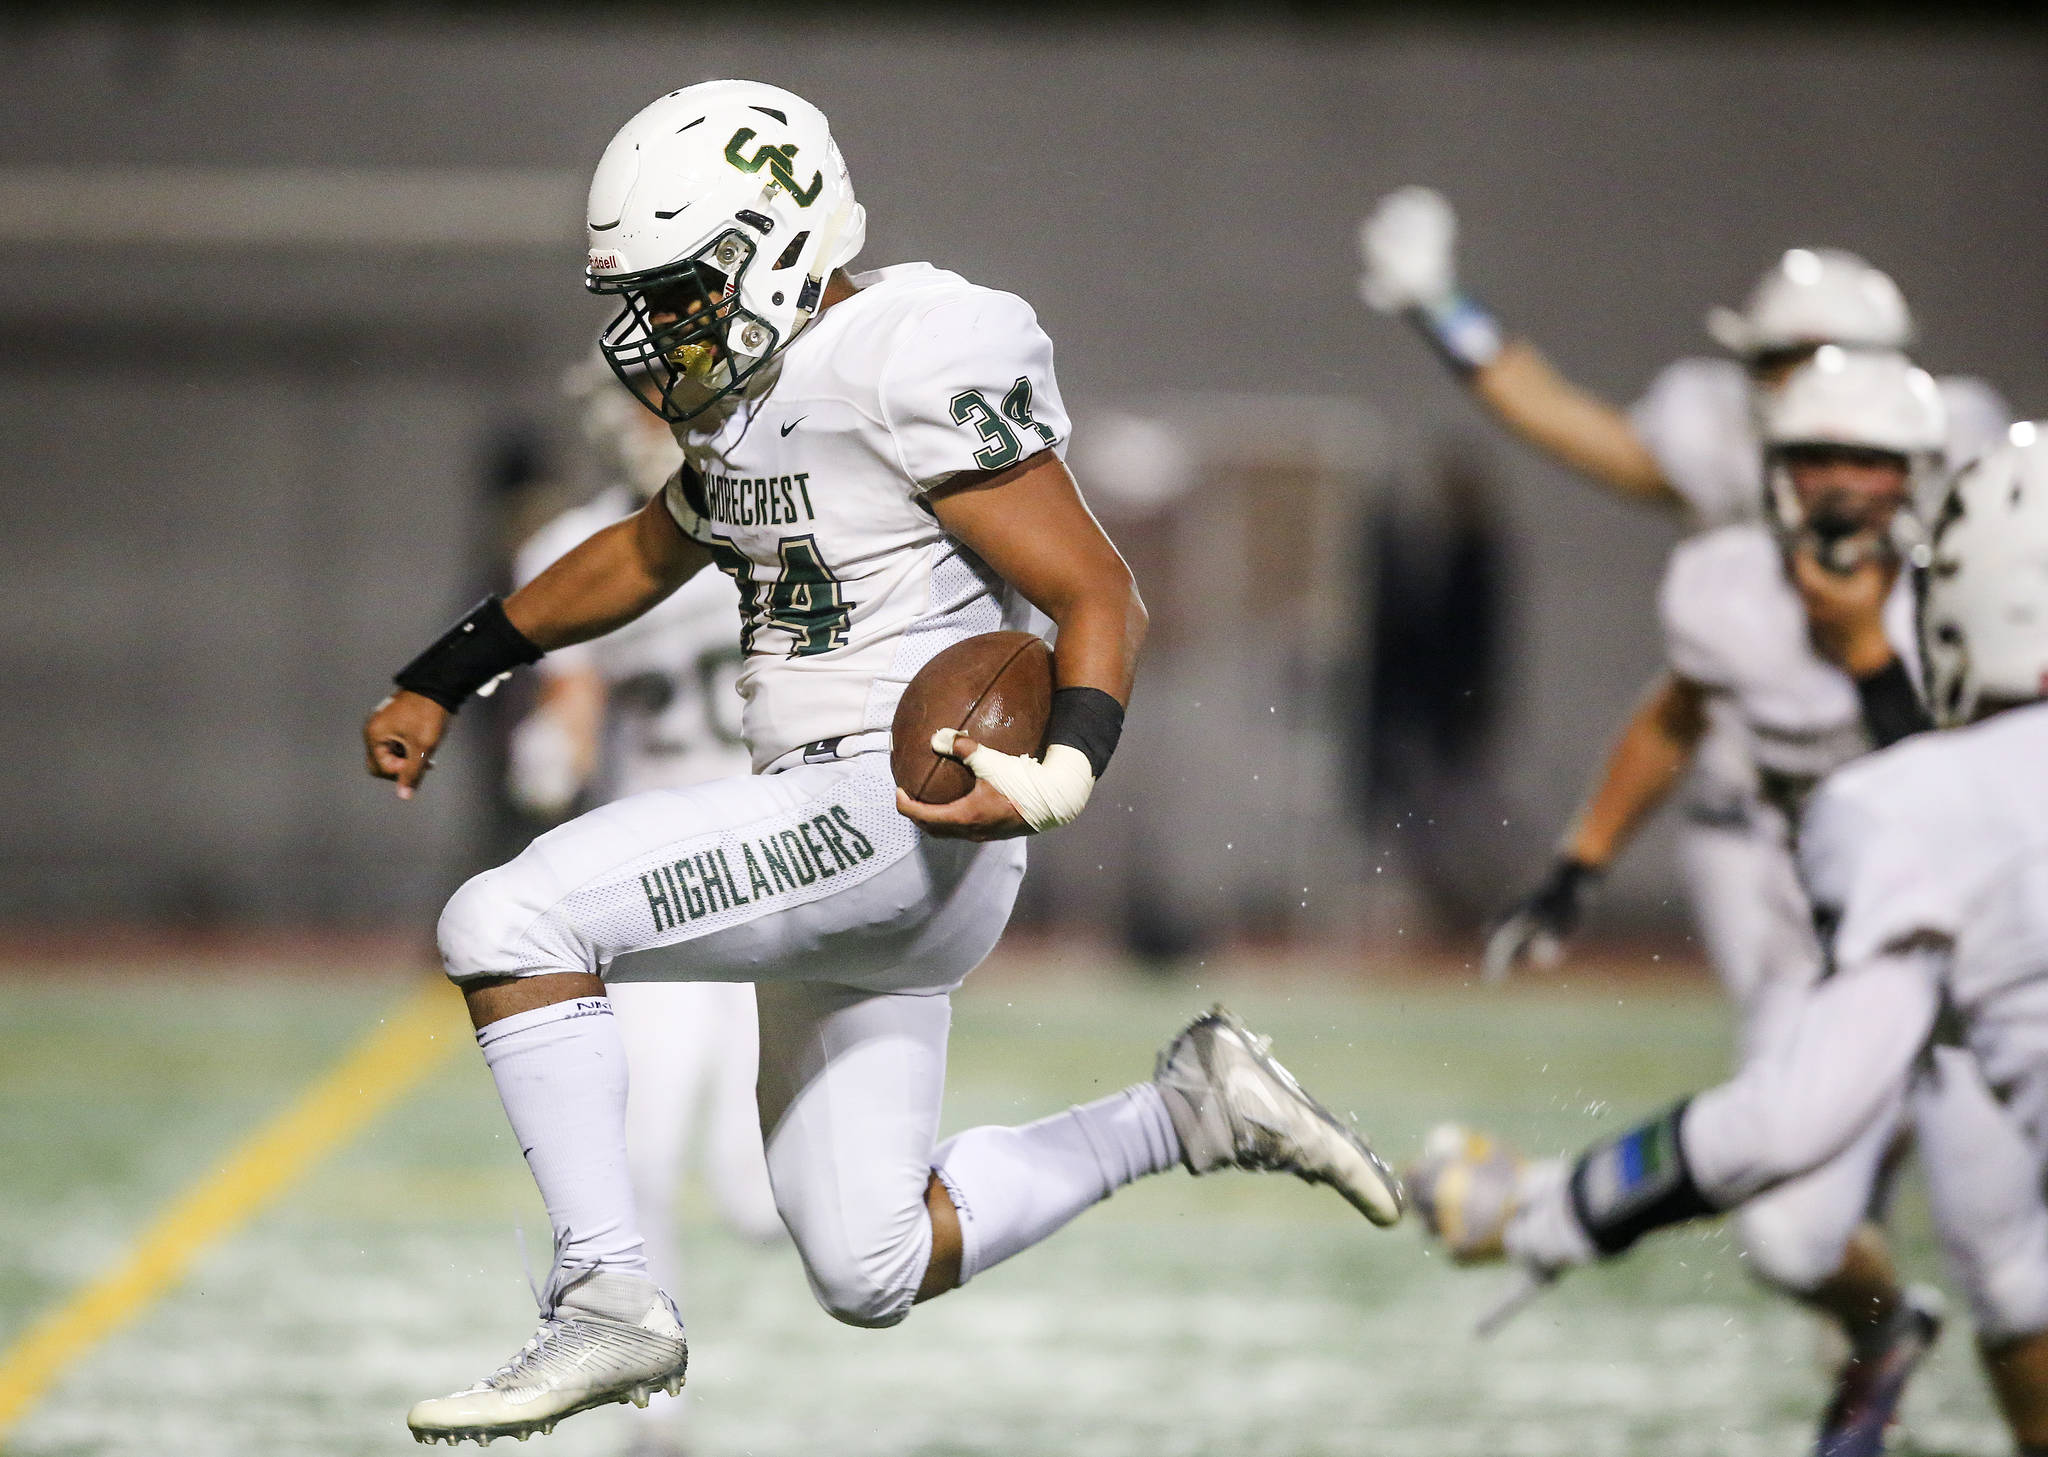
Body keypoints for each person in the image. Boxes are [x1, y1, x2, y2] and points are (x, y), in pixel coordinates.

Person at [364, 80, 1402, 1447]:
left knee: (508, 915)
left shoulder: (909, 349)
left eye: (682, 292)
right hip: (855, 842)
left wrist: (1066, 769)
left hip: (892, 805)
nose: (658, 331)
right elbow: (641, 553)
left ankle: (607, 1293)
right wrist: (450, 667)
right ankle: (1189, 1108)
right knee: (871, 1262)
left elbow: (1102, 590)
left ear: (779, 240)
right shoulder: (748, 396)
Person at [1407, 427, 2048, 1457]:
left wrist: (1549, 1205)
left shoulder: (1918, 802)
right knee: (1997, 1265)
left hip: (1849, 948)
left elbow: (1787, 1118)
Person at [1354, 190, 2009, 970]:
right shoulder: (1721, 499)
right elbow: (1562, 421)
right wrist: (1442, 307)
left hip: (1923, 799)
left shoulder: (1961, 449)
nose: (1814, 399)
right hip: (1760, 807)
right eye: (1782, 366)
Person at [509, 362, 778, 1456]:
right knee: (637, 1152)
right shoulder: (575, 542)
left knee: (764, 1202)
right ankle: (653, 1409)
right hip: (657, 883)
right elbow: (571, 698)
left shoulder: (785, 509)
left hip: (782, 867)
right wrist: (552, 744)